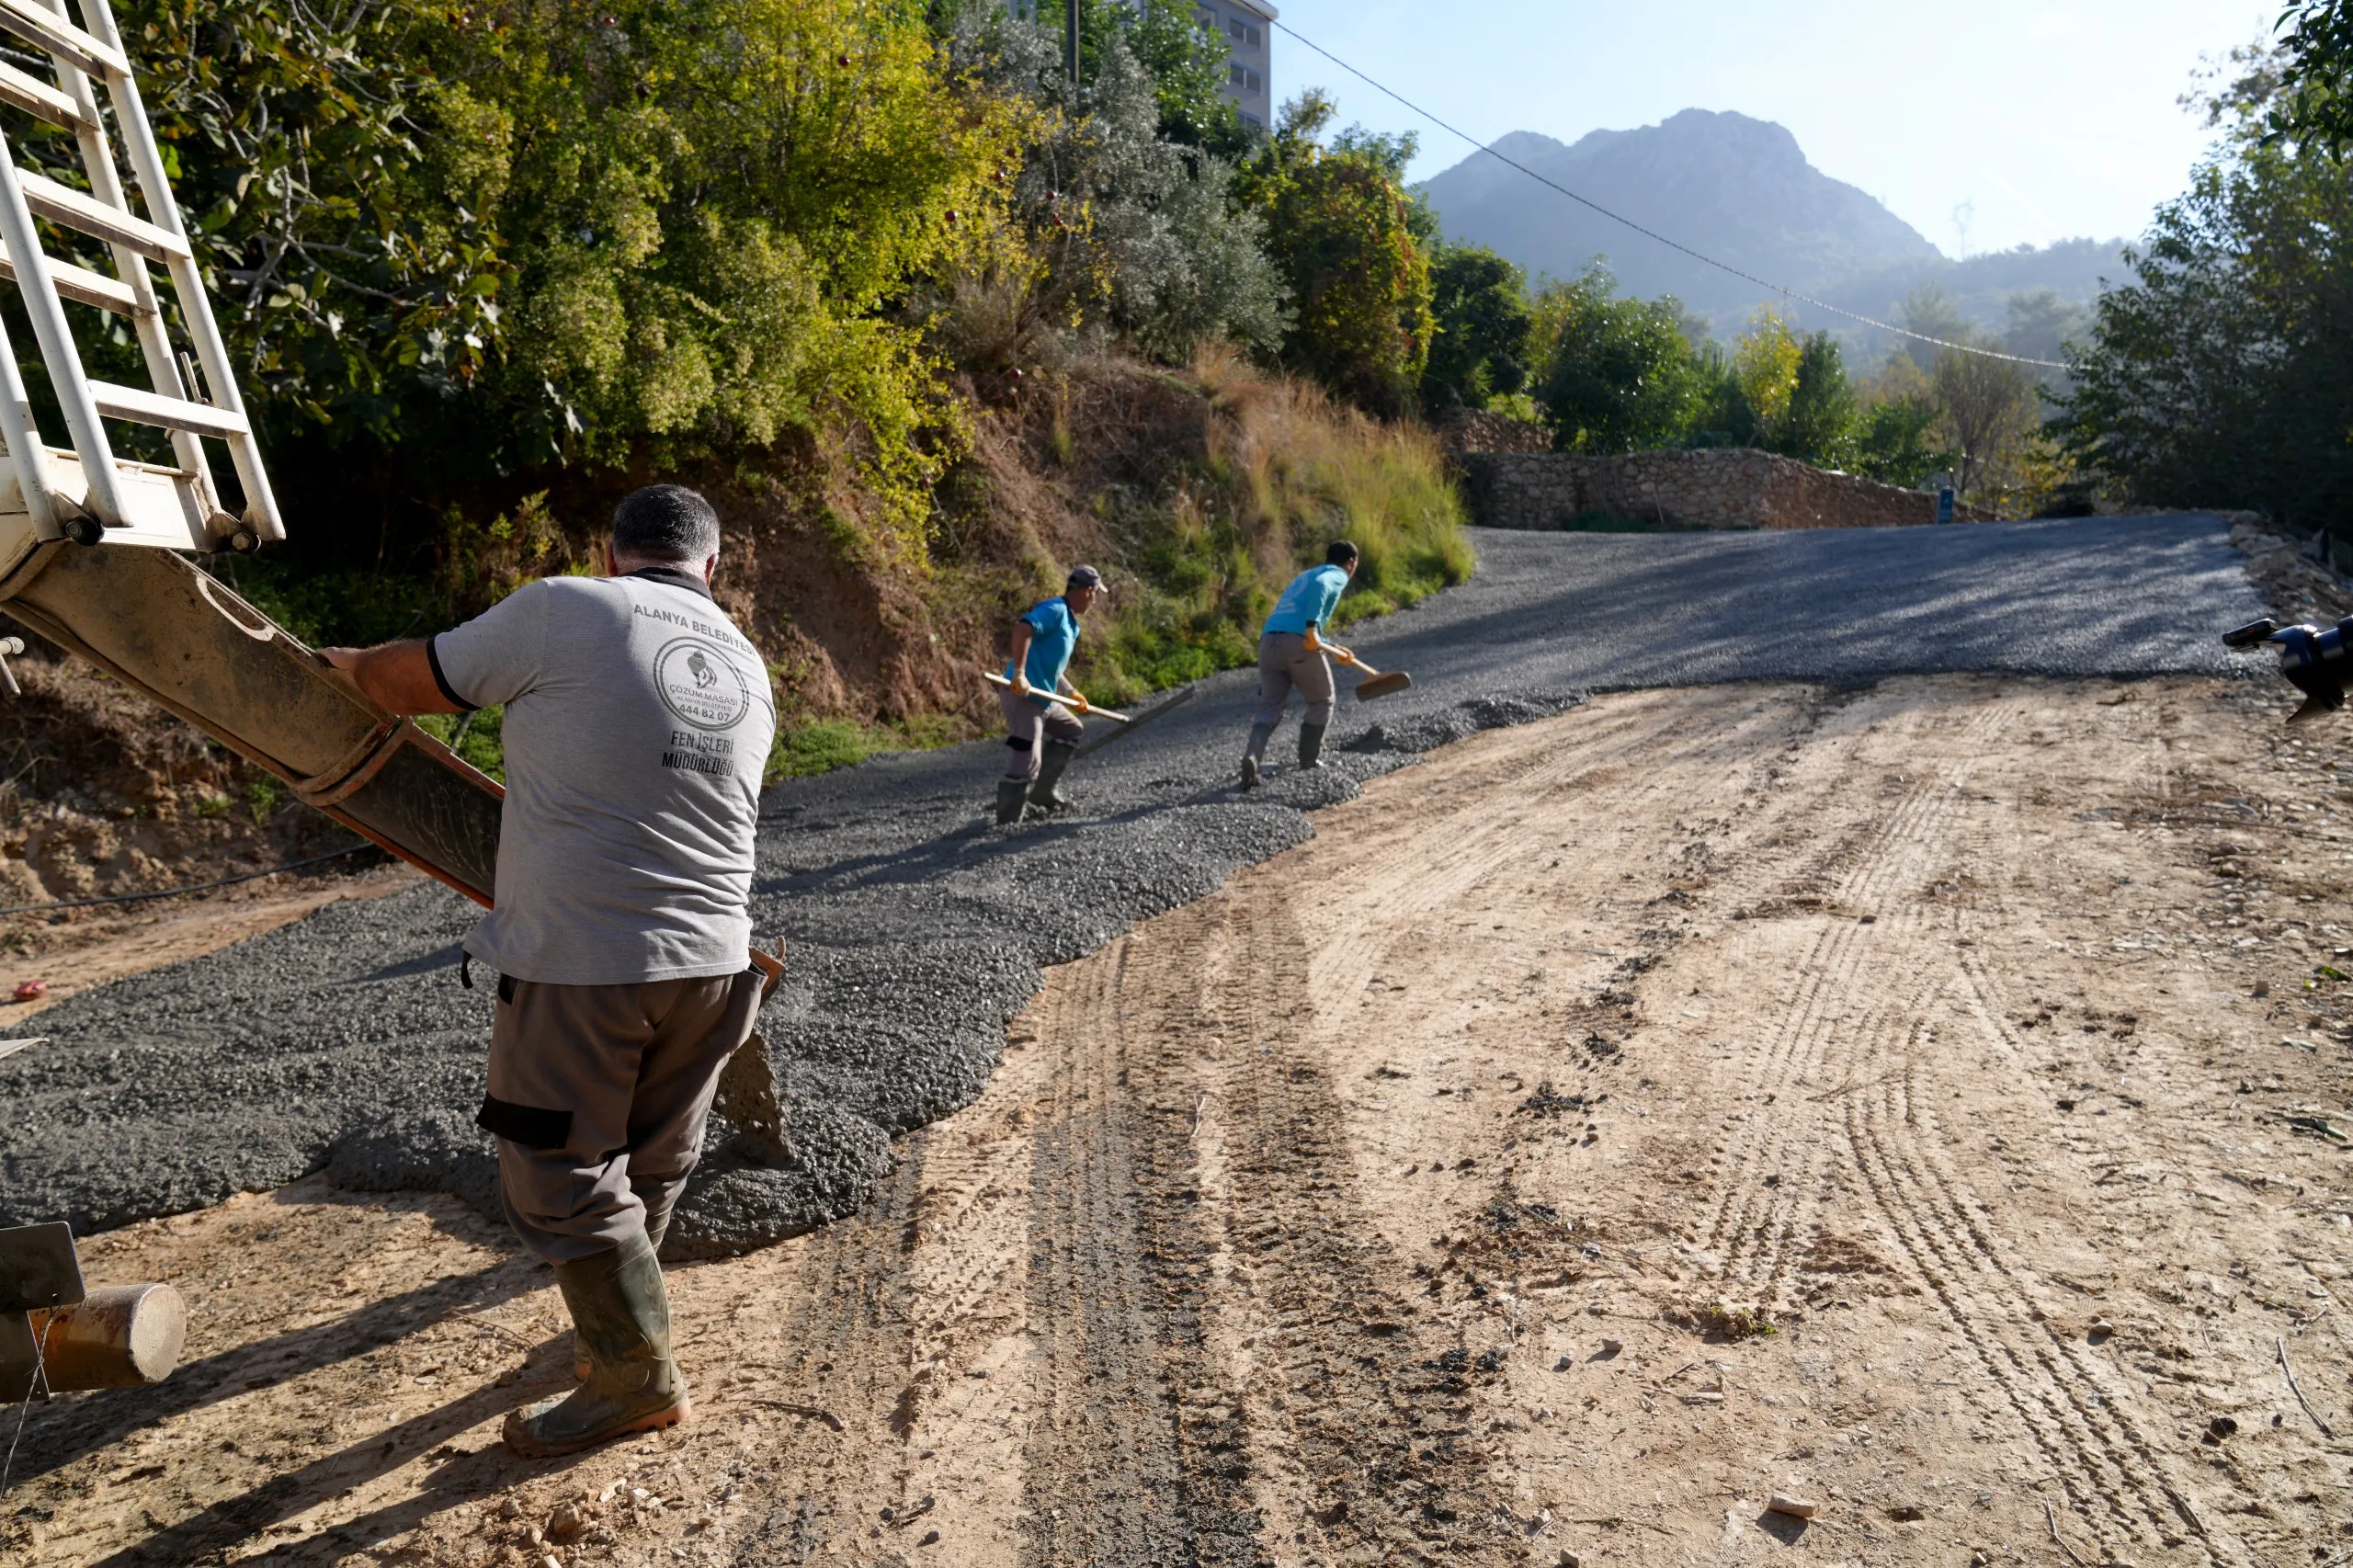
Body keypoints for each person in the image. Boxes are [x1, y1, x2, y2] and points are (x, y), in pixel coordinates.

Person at [321, 483, 778, 1458]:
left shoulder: (567, 606)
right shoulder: (744, 661)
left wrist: (344, 663)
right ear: (713, 567)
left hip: (586, 963)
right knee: (649, 1159)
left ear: (610, 551)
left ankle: (633, 1376)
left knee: (558, 1177)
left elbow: (409, 683)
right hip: (717, 968)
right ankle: (614, 1337)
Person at [1240, 541, 1358, 790]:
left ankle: (1253, 757)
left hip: (1269, 642)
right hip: (1298, 642)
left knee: (1270, 707)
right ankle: (1309, 762)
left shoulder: (1307, 574)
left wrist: (1331, 645)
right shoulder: (1335, 574)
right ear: (1350, 563)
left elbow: (1296, 614)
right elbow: (1320, 590)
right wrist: (1312, 626)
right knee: (1322, 700)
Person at [996, 565, 1105, 824]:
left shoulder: (1070, 623)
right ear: (1087, 591)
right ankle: (1007, 823)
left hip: (1043, 697)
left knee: (1070, 730)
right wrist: (1019, 674)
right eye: (1096, 594)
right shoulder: (1055, 610)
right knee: (1027, 759)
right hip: (1024, 696)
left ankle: (1042, 794)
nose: (1095, 600)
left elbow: (1051, 665)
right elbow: (1023, 628)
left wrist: (1070, 691)